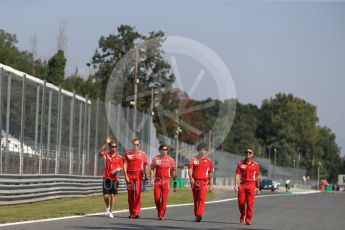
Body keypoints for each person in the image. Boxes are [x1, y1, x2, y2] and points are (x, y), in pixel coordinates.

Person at [150, 144, 177, 220]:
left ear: (167, 151)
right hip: (157, 180)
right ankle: (160, 211)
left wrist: (175, 183)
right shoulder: (155, 158)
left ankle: (161, 214)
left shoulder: (171, 160)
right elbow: (152, 169)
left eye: (166, 150)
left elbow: (173, 172)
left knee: (164, 199)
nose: (164, 151)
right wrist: (151, 178)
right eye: (163, 149)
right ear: (160, 150)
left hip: (166, 181)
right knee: (157, 199)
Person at [123, 138, 149, 218]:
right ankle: (131, 213)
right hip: (130, 175)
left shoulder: (143, 154)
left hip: (139, 175)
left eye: (137, 145)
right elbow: (124, 164)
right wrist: (125, 175)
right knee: (130, 194)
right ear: (132, 144)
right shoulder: (128, 153)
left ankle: (136, 212)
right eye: (134, 144)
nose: (136, 146)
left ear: (139, 145)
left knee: (137, 193)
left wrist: (146, 176)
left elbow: (145, 166)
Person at [188, 143, 213, 222]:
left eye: (204, 149)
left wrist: (211, 184)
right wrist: (191, 178)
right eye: (201, 149)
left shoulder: (209, 161)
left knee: (201, 198)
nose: (202, 151)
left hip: (203, 182)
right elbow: (190, 170)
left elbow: (210, 173)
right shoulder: (193, 160)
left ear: (206, 151)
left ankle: (199, 214)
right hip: (195, 181)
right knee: (196, 199)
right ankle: (197, 215)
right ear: (198, 150)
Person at [234, 148, 260, 225]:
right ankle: (243, 214)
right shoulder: (240, 163)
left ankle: (248, 219)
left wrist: (257, 187)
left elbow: (257, 176)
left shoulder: (256, 164)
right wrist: (236, 184)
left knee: (250, 203)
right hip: (242, 184)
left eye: (249, 152)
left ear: (252, 154)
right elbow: (237, 174)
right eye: (246, 152)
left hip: (251, 184)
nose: (247, 153)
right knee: (241, 202)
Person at [99, 137, 123, 218]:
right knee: (105, 195)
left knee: (112, 195)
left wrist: (118, 170)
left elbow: (122, 167)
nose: (114, 148)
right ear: (110, 147)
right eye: (112, 146)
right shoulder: (106, 154)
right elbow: (100, 152)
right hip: (106, 177)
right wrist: (106, 143)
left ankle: (111, 211)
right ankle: (107, 207)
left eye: (115, 146)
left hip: (115, 178)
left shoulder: (119, 157)